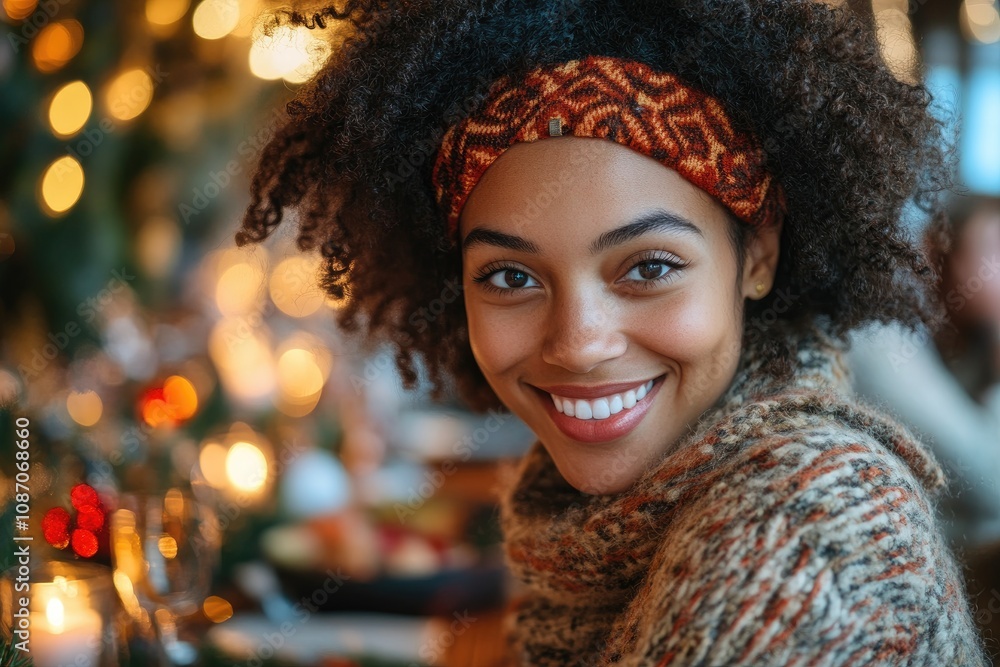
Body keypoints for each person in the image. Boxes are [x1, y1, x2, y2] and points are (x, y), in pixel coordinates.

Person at [234, 0, 988, 664]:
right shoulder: (596, 532)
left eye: (649, 267)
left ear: (756, 253)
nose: (579, 341)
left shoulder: (805, 528)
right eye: (510, 277)